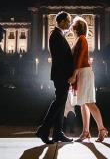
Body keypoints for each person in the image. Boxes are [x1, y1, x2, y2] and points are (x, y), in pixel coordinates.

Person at [35, 11, 74, 144]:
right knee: (58, 102)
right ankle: (44, 129)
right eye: (68, 21)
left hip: (61, 74)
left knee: (61, 104)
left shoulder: (58, 35)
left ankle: (58, 133)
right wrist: (70, 73)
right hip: (61, 74)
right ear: (62, 21)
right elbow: (61, 58)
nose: (69, 24)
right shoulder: (56, 35)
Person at [68, 16, 109, 142]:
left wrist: (74, 74)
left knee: (90, 102)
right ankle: (86, 132)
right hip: (82, 72)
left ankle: (102, 129)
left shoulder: (82, 39)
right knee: (83, 103)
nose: (71, 25)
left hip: (83, 72)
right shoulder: (79, 39)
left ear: (76, 27)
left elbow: (79, 59)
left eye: (73, 24)